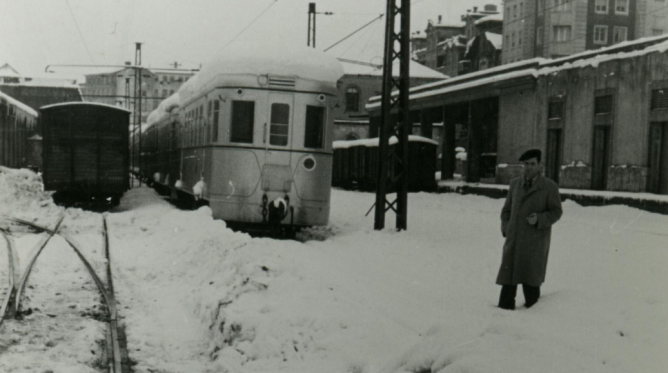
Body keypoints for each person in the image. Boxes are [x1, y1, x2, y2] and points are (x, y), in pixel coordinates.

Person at [496, 149, 562, 310]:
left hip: (535, 243)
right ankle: (503, 317)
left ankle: (532, 320)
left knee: (531, 284)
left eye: (532, 164)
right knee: (508, 282)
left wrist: (539, 219)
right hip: (514, 241)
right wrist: (507, 228)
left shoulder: (549, 187)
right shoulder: (515, 184)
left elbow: (556, 211)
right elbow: (506, 211)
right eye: (526, 164)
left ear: (540, 165)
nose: (529, 167)